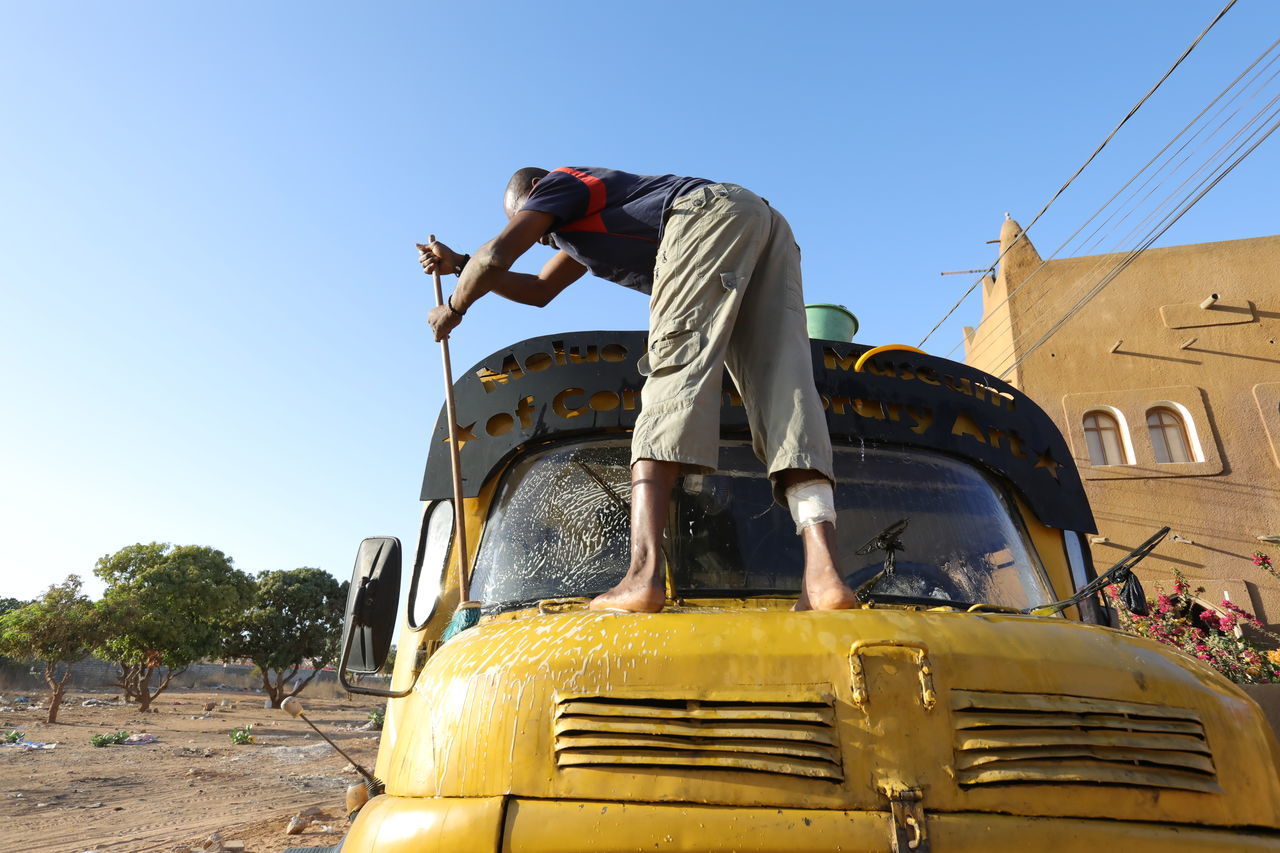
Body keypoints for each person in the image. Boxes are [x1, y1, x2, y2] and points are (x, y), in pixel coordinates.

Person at [419, 167, 857, 613]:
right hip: (761, 221)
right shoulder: (583, 226)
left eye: (534, 227)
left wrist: (453, 308)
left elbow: (495, 253)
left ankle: (643, 576)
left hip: (704, 217)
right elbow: (539, 290)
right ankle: (824, 579)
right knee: (786, 388)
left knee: (674, 373)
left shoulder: (558, 186)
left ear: (534, 193)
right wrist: (458, 265)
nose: (541, 241)